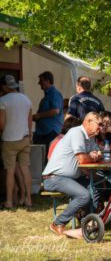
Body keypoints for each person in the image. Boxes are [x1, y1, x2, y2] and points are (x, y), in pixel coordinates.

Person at [42, 112, 103, 235]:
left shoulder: (90, 137)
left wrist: (94, 155)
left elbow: (98, 152)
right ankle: (58, 223)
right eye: (99, 124)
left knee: (96, 187)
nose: (101, 127)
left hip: (70, 178)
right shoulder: (76, 133)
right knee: (84, 195)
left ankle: (88, 221)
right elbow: (82, 159)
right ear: (88, 122)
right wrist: (93, 156)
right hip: (54, 177)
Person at [0, 75, 33, 209]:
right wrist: (29, 135)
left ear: (4, 86)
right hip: (25, 138)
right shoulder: (26, 99)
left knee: (10, 171)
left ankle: (9, 201)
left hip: (9, 140)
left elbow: (1, 124)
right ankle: (29, 200)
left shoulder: (2, 100)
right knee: (25, 169)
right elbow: (29, 122)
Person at [32, 71, 64, 156]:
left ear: (48, 81)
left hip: (50, 132)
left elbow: (55, 111)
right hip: (43, 132)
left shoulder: (54, 93)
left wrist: (39, 115)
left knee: (48, 157)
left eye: (41, 81)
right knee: (40, 158)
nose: (39, 83)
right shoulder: (48, 95)